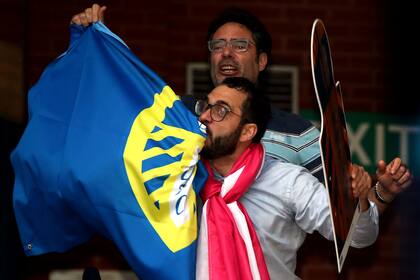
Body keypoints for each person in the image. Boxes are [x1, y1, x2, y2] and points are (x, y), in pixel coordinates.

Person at [70, 4, 412, 213]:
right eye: (217, 46)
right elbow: (117, 116)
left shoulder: (301, 134)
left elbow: (343, 218)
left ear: (261, 61)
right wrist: (92, 45)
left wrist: (378, 192)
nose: (227, 53)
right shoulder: (181, 113)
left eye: (239, 45)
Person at [194, 76, 377, 279]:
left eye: (220, 111)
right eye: (205, 106)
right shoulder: (184, 177)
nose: (204, 116)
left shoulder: (288, 183)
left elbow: (359, 236)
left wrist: (359, 199)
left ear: (247, 132)